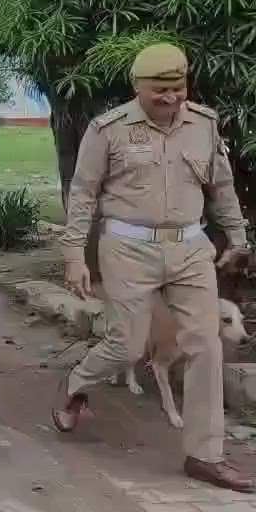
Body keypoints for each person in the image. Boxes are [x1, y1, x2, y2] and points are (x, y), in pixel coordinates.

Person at [51, 43, 252, 492]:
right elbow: (83, 193)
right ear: (138, 86)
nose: (170, 97)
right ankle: (77, 382)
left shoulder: (203, 124)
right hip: (127, 248)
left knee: (205, 344)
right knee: (127, 345)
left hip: (189, 248)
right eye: (160, 89)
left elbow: (221, 186)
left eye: (177, 87)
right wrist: (73, 256)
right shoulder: (109, 130)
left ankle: (206, 455)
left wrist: (238, 238)